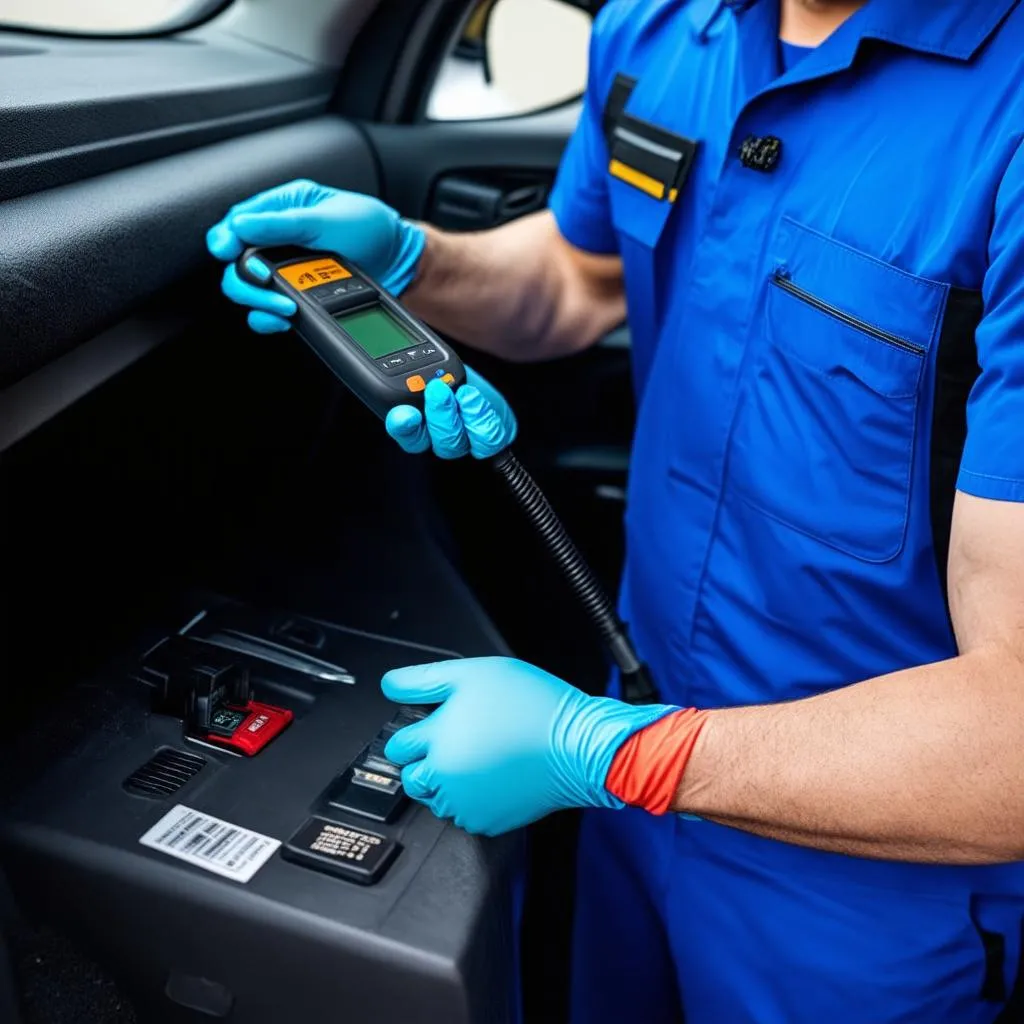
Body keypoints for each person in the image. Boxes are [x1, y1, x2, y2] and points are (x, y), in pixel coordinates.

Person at [206, 0, 1024, 1019]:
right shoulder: (658, 28)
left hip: (870, 857)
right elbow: (577, 278)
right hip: (631, 741)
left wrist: (602, 750)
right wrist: (416, 259)